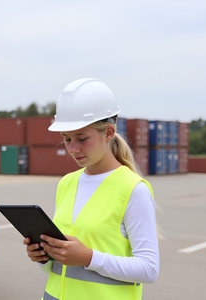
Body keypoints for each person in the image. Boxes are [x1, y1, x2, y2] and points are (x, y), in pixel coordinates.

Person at [23, 78, 159, 300]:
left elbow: (149, 269)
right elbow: (61, 268)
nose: (73, 149)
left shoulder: (133, 189)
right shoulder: (66, 183)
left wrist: (89, 257)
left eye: (82, 138)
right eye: (66, 140)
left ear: (108, 132)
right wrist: (43, 257)